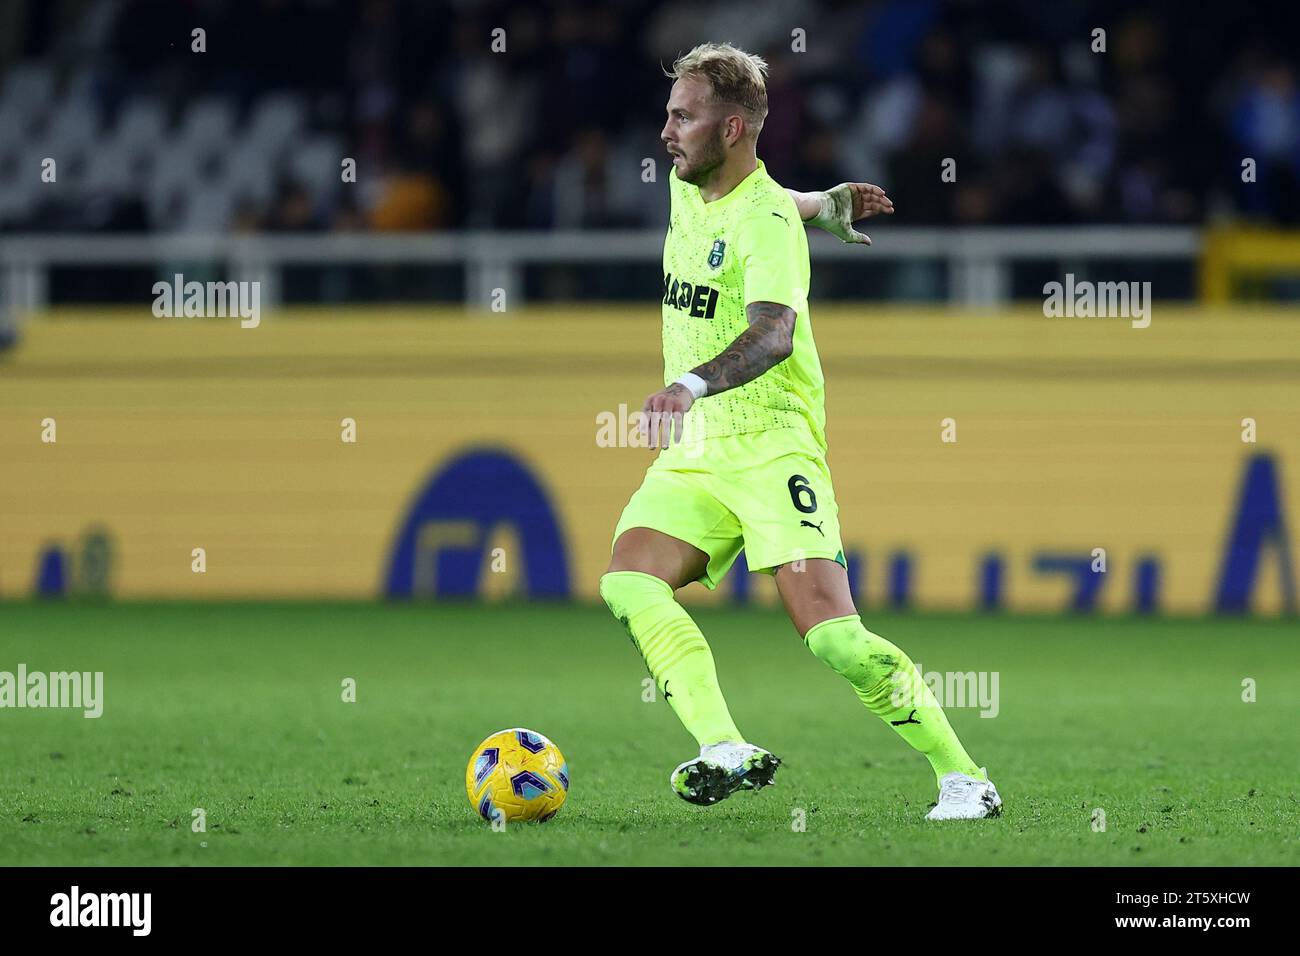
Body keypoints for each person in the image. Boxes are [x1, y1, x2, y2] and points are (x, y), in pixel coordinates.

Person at [599, 42, 1001, 820]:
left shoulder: (766, 224)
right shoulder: (697, 188)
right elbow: (771, 194)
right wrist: (823, 200)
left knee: (834, 641)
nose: (666, 131)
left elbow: (775, 333)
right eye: (668, 114)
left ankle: (966, 779)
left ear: (733, 128)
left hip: (772, 440)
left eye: (684, 117)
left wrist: (686, 384)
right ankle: (722, 747)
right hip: (699, 453)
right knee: (628, 581)